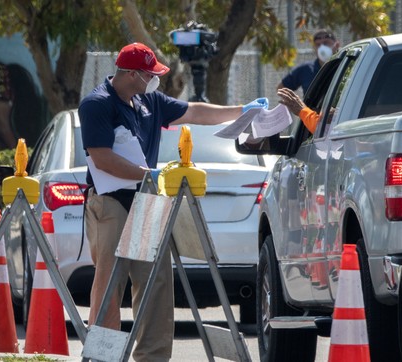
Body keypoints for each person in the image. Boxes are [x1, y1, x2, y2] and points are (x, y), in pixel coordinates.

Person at [78, 42, 267, 361]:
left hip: (146, 199)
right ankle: (102, 357)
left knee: (155, 282)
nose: (155, 80)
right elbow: (102, 158)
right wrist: (149, 171)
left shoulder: (148, 100)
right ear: (131, 74)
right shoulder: (97, 104)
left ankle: (152, 357)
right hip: (110, 201)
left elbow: (194, 111)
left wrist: (242, 112)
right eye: (149, 74)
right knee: (111, 284)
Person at [277, 29, 340, 94]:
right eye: (318, 44)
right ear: (314, 48)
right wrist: (297, 102)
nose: (322, 47)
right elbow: (281, 89)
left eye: (326, 43)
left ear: (337, 45)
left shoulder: (345, 66)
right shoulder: (306, 69)